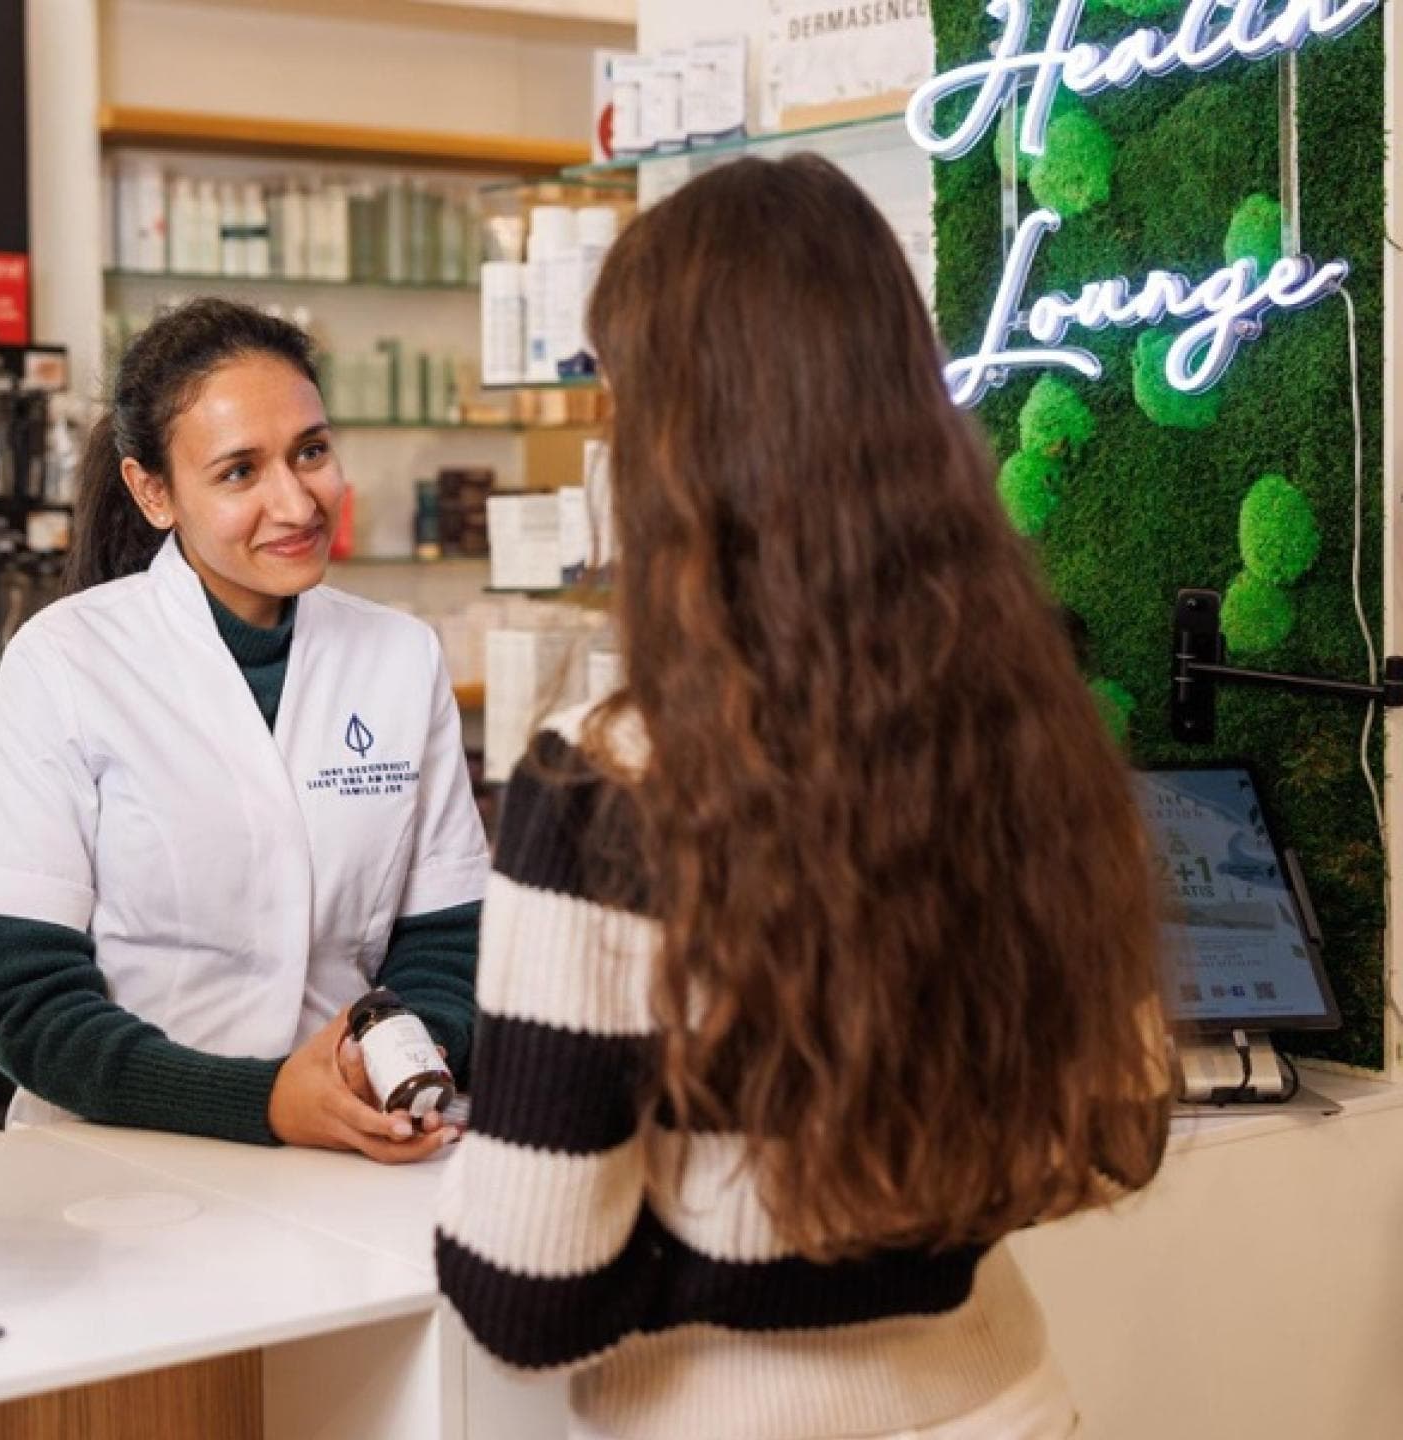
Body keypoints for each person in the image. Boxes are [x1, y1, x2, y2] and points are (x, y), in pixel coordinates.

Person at [436, 156, 1173, 1438]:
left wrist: (705, 1249)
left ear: (679, 441)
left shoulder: (603, 783)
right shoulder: (1021, 719)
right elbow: (1115, 1131)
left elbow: (525, 1296)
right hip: (1008, 1402)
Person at [0, 299, 486, 1162]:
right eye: (240, 472)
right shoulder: (62, 663)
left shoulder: (399, 657)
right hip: (117, 1168)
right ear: (152, 492)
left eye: (310, 452)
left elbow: (443, 940)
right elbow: (28, 1004)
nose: (296, 500)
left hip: (353, 1152)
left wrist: (390, 1067)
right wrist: (265, 1100)